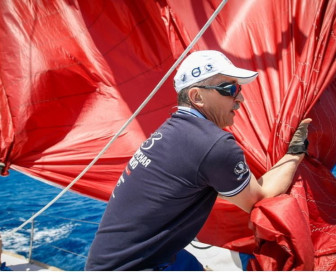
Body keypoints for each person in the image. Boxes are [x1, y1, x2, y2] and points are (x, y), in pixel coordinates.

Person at [85, 50, 311, 271]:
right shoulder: (213, 144)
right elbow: (259, 196)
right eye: (230, 89)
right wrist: (295, 153)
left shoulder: (173, 132)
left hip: (114, 261)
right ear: (197, 97)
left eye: (238, 88)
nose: (240, 98)